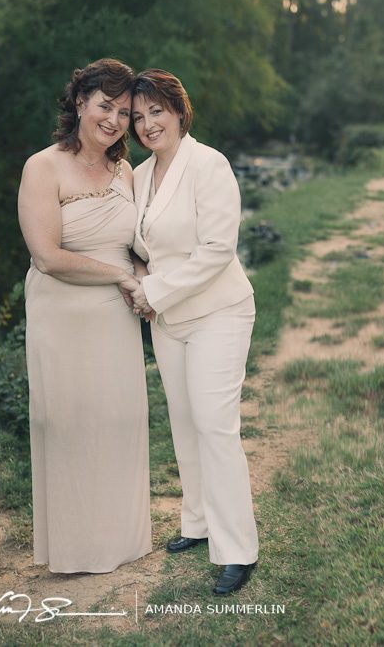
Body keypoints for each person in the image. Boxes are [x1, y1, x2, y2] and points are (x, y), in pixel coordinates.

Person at [17, 58, 151, 573]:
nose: (115, 120)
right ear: (79, 102)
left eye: (124, 111)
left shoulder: (126, 171)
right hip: (64, 312)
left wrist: (145, 281)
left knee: (118, 418)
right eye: (105, 106)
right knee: (70, 421)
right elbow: (47, 256)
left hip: (116, 315)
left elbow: (138, 242)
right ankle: (76, 548)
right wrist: (118, 276)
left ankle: (122, 539)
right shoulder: (42, 166)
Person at [127, 68, 259, 596]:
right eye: (138, 117)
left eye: (156, 111)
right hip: (170, 320)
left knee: (214, 426)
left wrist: (154, 292)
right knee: (183, 424)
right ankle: (198, 523)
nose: (147, 124)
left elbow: (217, 249)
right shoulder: (137, 177)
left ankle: (239, 550)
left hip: (219, 312)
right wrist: (140, 282)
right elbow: (139, 249)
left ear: (180, 111)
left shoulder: (210, 164)